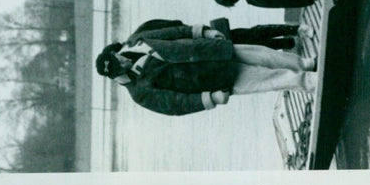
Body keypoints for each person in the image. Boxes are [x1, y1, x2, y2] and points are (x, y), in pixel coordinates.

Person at [95, 21, 316, 115]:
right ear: (116, 76)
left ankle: (305, 64)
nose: (123, 64)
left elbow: (175, 32)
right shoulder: (139, 93)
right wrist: (210, 99)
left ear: (115, 54)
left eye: (119, 60)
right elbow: (176, 105)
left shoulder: (138, 39)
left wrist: (205, 32)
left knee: (264, 55)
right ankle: (309, 82)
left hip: (211, 50)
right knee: (268, 80)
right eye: (118, 69)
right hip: (214, 80)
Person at [129, 17, 306, 51]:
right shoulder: (140, 33)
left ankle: (289, 40)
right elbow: (172, 24)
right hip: (204, 39)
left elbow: (172, 25)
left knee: (252, 42)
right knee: (252, 37)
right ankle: (289, 39)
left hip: (205, 43)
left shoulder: (140, 36)